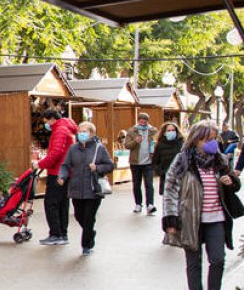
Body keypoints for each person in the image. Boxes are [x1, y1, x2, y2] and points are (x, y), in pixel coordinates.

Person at [161, 120, 243, 290]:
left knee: (218, 259)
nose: (212, 143)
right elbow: (170, 188)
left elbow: (233, 181)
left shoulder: (220, 160)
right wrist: (170, 218)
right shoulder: (183, 160)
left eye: (214, 139)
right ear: (196, 140)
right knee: (193, 262)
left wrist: (231, 181)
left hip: (216, 218)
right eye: (208, 139)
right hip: (190, 219)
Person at [57, 121, 114, 256]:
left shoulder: (99, 148)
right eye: (80, 131)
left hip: (93, 190)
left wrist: (98, 168)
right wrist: (62, 176)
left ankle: (86, 245)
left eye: (84, 131)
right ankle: (90, 232)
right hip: (76, 188)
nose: (81, 134)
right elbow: (65, 165)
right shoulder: (73, 148)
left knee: (89, 217)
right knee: (78, 216)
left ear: (92, 133)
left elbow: (110, 165)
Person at [35, 108, 78, 246]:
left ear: (52, 119)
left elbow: (56, 153)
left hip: (57, 172)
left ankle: (55, 234)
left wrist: (40, 164)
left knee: (51, 203)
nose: (46, 125)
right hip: (66, 171)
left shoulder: (59, 130)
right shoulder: (68, 128)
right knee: (63, 204)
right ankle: (62, 234)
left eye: (46, 121)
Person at [124, 112, 159, 214]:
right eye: (141, 120)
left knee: (149, 184)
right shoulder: (132, 131)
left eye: (145, 120)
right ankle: (138, 204)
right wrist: (135, 141)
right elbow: (127, 145)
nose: (143, 122)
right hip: (135, 162)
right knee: (136, 184)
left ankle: (150, 205)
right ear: (138, 120)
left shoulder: (153, 131)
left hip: (148, 162)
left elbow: (157, 143)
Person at [152, 122, 184, 197]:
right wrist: (161, 171)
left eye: (173, 130)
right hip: (165, 177)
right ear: (164, 133)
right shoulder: (159, 145)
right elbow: (155, 162)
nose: (171, 132)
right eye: (168, 131)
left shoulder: (181, 144)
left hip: (179, 177)